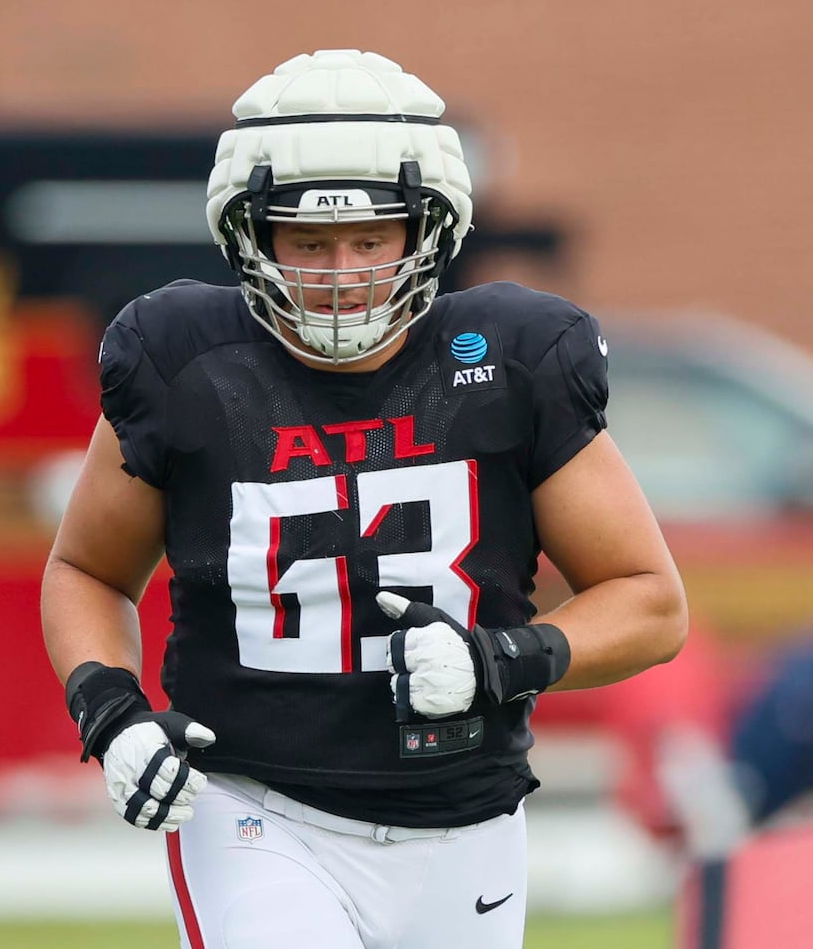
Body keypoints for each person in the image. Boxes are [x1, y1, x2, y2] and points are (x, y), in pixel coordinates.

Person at [41, 48, 688, 949]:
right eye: (308, 242)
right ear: (250, 236)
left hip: (465, 816)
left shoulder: (510, 362)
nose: (341, 274)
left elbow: (650, 603)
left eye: (372, 239)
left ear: (429, 230)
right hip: (257, 808)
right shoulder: (186, 362)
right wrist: (112, 712)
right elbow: (86, 570)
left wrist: (500, 659)